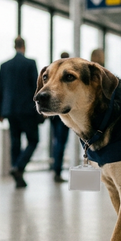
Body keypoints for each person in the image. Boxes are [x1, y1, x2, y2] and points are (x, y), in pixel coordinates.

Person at [0, 37, 43, 188]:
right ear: (24, 46)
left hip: (10, 110)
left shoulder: (5, 66)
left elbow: (0, 89)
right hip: (27, 110)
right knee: (33, 140)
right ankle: (18, 166)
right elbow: (36, 88)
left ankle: (17, 172)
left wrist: (0, 111)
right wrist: (40, 110)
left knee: (15, 141)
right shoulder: (30, 63)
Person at [49, 51, 71, 183]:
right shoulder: (68, 76)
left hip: (53, 113)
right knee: (61, 143)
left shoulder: (53, 73)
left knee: (56, 141)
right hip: (63, 112)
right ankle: (57, 170)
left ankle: (55, 169)